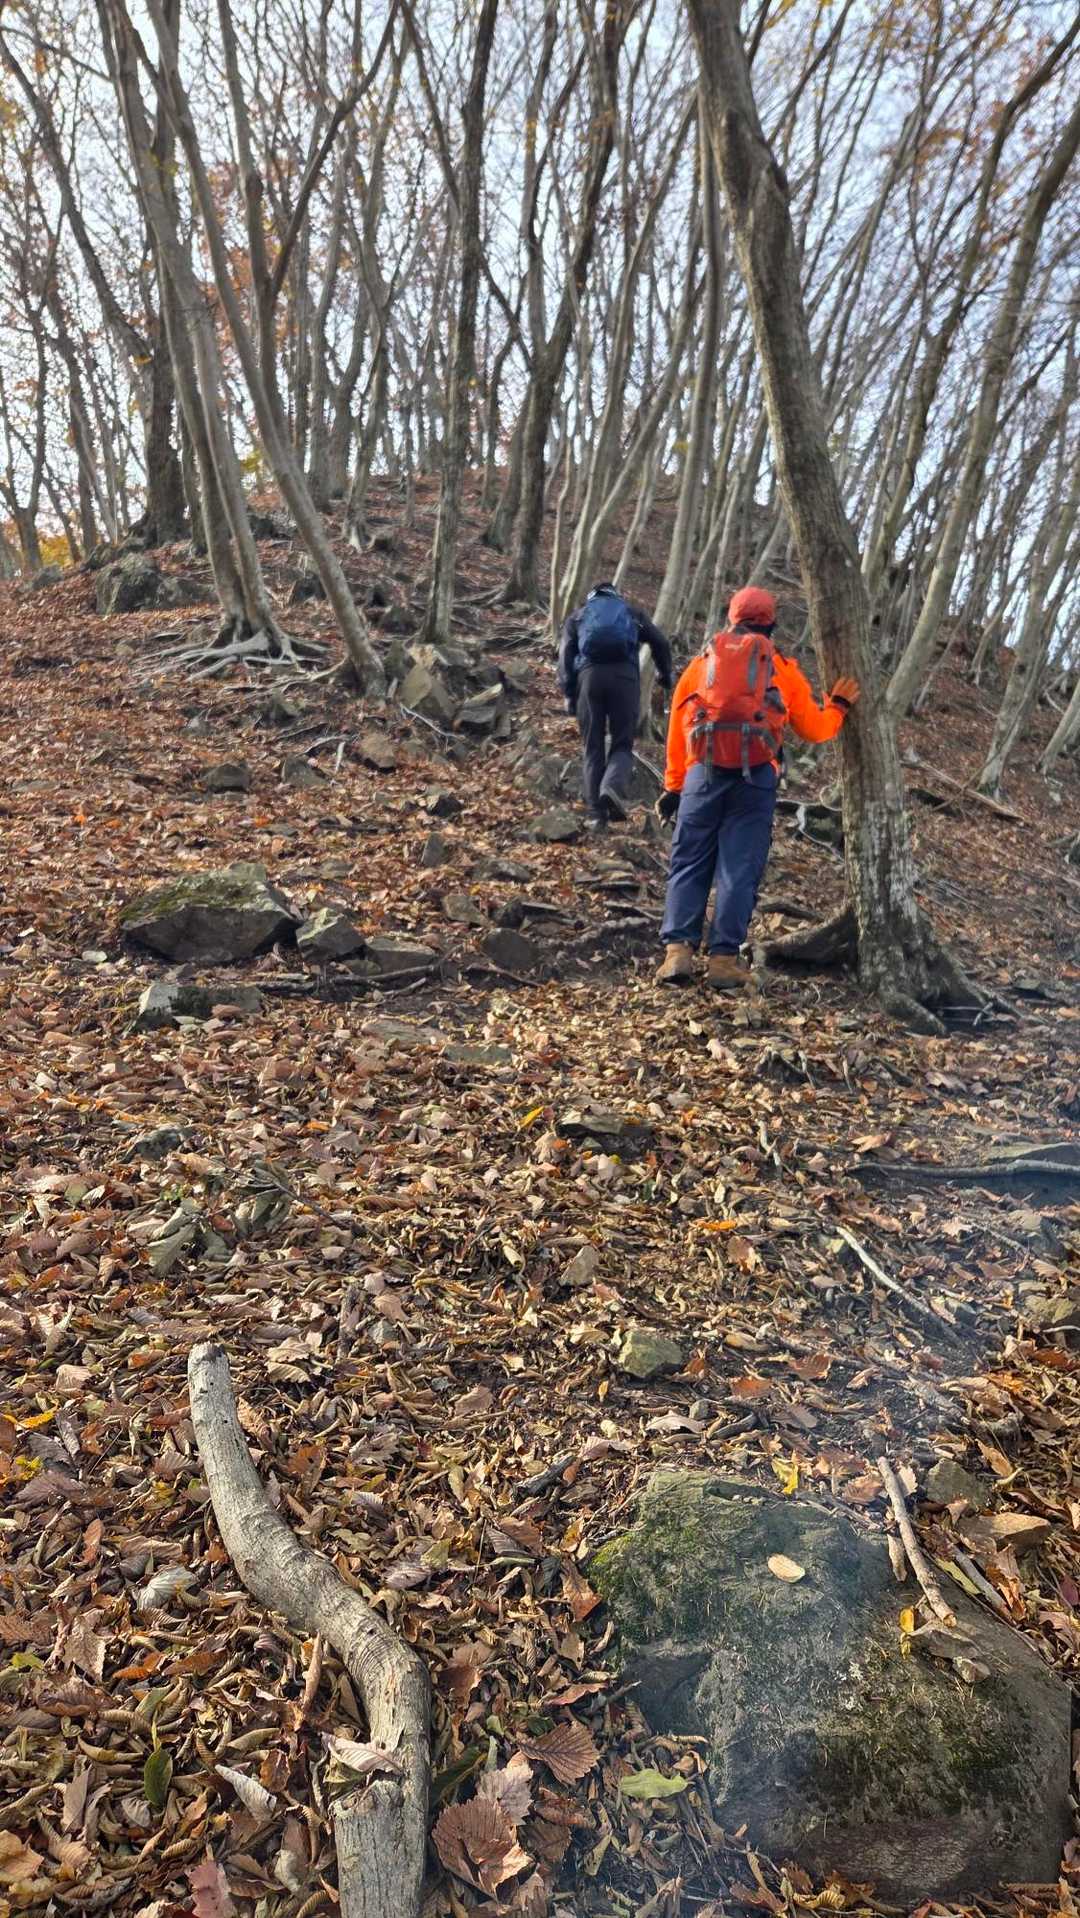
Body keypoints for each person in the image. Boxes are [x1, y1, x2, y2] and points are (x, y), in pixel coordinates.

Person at [655, 585, 859, 988]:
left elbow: (679, 728)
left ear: (731, 617)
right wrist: (838, 707)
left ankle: (677, 954)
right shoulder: (780, 667)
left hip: (702, 773)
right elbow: (815, 730)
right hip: (756, 778)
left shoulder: (703, 663)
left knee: (689, 862)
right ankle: (723, 961)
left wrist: (674, 786)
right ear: (771, 623)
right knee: (739, 866)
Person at [558, 582, 673, 825]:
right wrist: (665, 675)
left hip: (589, 679)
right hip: (624, 680)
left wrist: (569, 693)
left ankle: (596, 817)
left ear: (592, 597)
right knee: (622, 744)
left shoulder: (578, 617)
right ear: (616, 595)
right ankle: (611, 787)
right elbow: (661, 643)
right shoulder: (631, 613)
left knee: (593, 748)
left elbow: (565, 656)